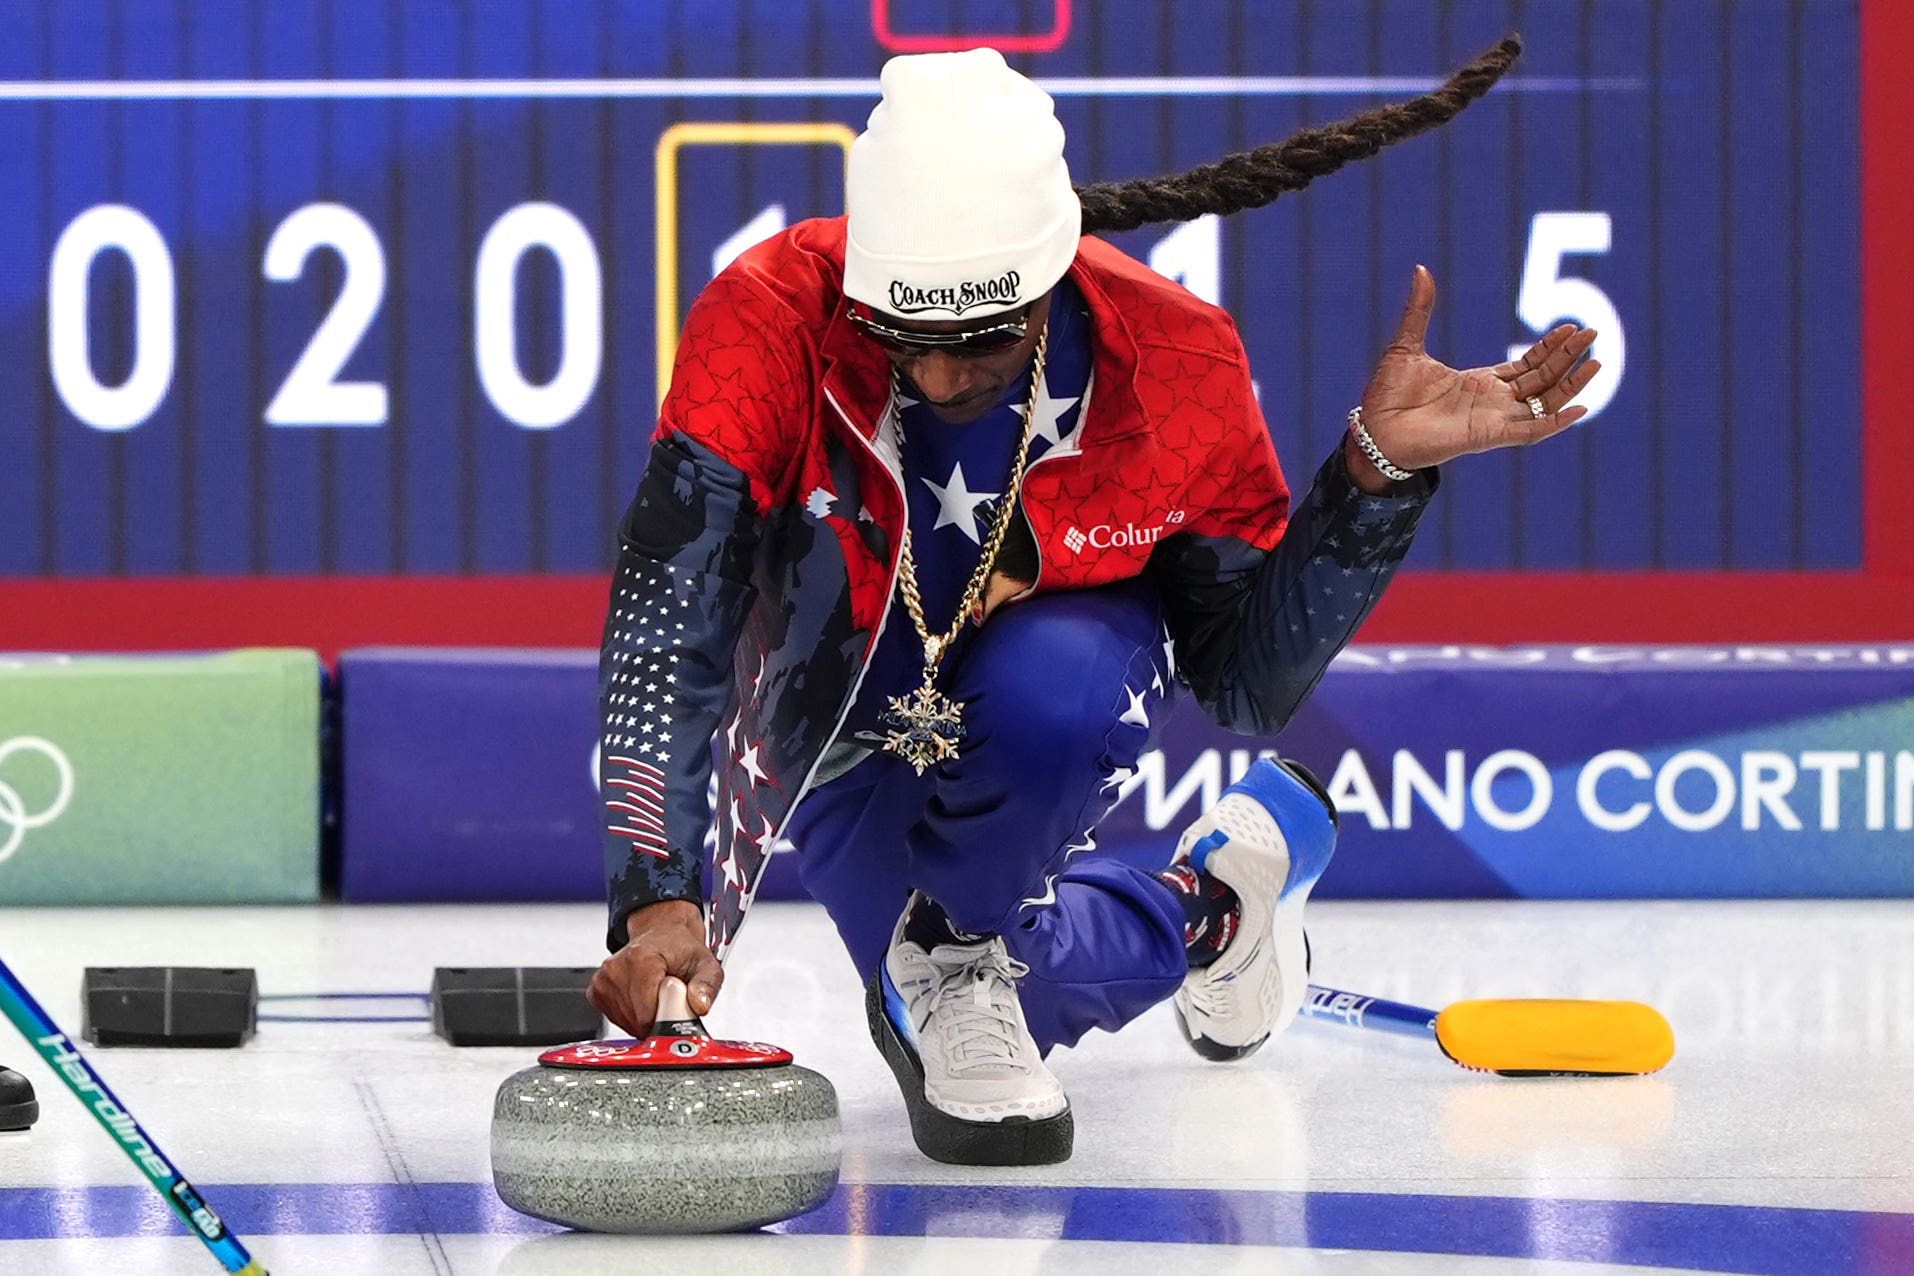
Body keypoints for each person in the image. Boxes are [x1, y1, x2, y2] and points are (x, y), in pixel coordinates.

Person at [588, 41, 1598, 1165]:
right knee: (953, 997)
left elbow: (1245, 683)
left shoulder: (1175, 361)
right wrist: (658, 894)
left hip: (1045, 692)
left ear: (1054, 274)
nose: (935, 378)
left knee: (1035, 752)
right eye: (901, 337)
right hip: (828, 717)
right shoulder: (767, 319)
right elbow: (670, 610)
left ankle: (971, 937)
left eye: (978, 340)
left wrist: (1374, 476)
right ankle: (1206, 903)